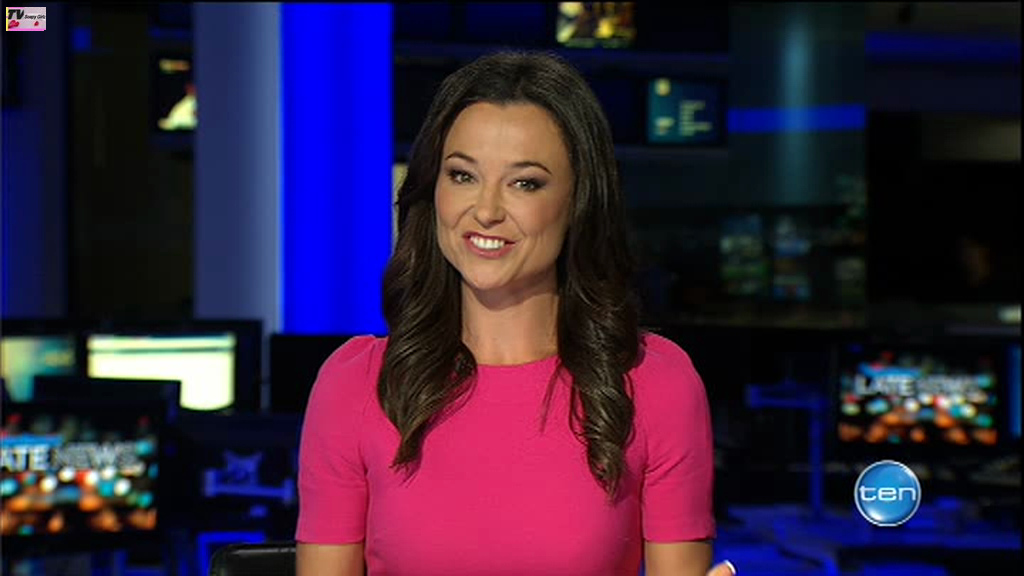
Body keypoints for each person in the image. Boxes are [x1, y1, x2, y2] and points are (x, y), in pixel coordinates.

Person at [295, 50, 735, 576]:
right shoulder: (355, 385)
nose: (485, 210)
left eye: (525, 183)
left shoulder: (655, 384)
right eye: (462, 176)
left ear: (578, 201)